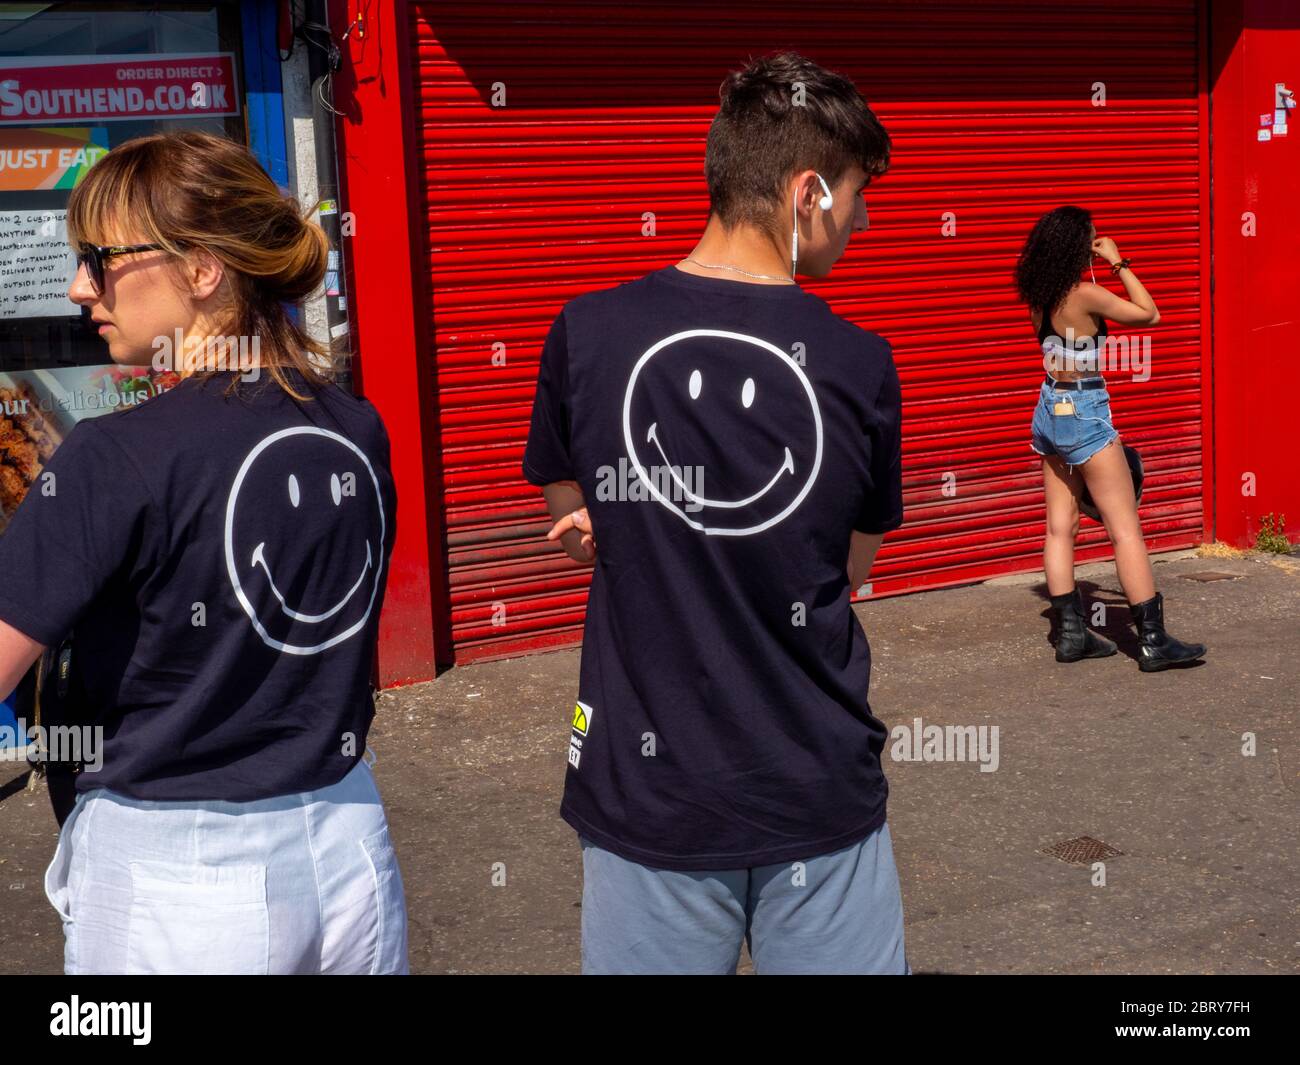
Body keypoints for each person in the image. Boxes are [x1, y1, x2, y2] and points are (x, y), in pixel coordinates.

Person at [522, 52, 908, 974]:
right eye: (857, 196)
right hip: (815, 790)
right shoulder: (860, 363)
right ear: (807, 191)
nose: (861, 222)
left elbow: (573, 511)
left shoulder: (587, 331)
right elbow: (850, 569)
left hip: (647, 795)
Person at [0, 130, 407, 974]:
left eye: (99, 257)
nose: (81, 286)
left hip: (175, 874)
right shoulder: (354, 426)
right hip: (350, 845)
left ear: (202, 269)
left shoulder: (111, 459)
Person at [1014, 205, 1206, 671]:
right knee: (1125, 531)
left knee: (1060, 527)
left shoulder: (1040, 294)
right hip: (1084, 411)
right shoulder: (1086, 294)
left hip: (1048, 408)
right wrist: (1119, 262)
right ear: (1079, 248)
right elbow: (1150, 314)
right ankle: (1153, 643)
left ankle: (1072, 635)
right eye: (1093, 239)